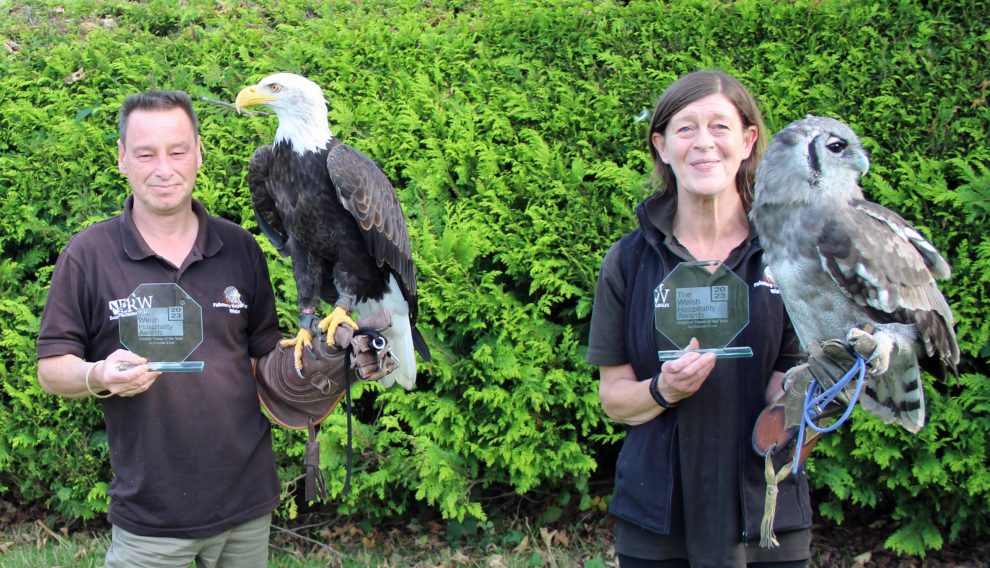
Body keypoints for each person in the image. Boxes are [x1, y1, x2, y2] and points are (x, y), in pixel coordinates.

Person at [36, 90, 285, 567]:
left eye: (177, 151)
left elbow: (264, 355)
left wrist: (323, 362)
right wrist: (99, 376)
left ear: (198, 155)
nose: (163, 168)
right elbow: (51, 369)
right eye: (146, 154)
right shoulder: (88, 255)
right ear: (122, 159)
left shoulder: (239, 248)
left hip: (247, 505)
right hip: (151, 516)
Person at [587, 71, 811, 567]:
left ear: (749, 141)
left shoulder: (788, 256)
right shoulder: (628, 262)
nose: (703, 143)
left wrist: (819, 390)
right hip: (657, 521)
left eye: (720, 126)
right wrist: (662, 390)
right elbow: (614, 399)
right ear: (662, 146)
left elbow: (790, 392)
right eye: (685, 129)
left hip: (767, 517)